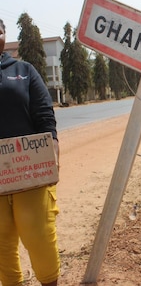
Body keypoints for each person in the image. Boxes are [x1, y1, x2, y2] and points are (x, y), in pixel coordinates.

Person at [0, 19, 60, 286]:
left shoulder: (24, 71)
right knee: (1, 247)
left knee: (40, 239)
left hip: (29, 174)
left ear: (4, 34)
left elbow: (45, 117)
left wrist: (52, 156)